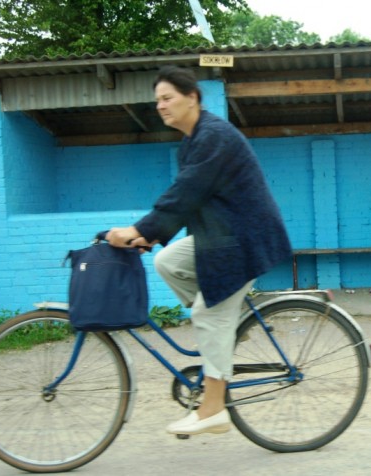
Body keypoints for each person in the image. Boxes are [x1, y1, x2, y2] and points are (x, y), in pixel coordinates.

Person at [107, 65, 292, 436]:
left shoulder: (214, 136)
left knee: (209, 313)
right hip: (220, 237)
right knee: (166, 261)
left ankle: (212, 410)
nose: (160, 106)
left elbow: (185, 193)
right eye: (157, 100)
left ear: (192, 97)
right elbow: (189, 203)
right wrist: (149, 238)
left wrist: (139, 229)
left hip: (243, 239)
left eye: (167, 98)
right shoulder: (192, 141)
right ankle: (224, 327)